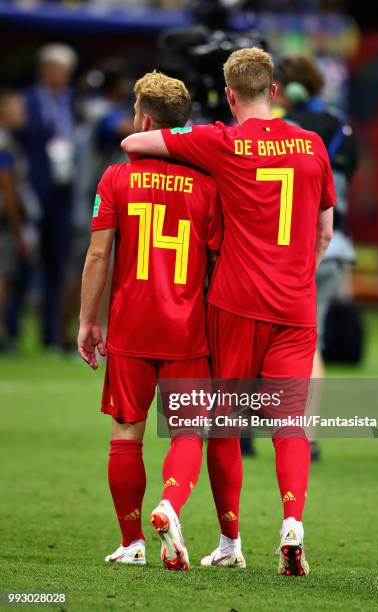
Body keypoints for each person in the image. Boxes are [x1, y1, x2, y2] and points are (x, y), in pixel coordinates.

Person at [121, 47, 335, 576]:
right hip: (294, 306)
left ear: (231, 96)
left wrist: (181, 148)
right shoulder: (312, 146)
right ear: (276, 92)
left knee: (221, 425)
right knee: (290, 426)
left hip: (235, 303)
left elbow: (135, 141)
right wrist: (295, 273)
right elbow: (325, 231)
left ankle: (225, 536)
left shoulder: (222, 141)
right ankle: (292, 523)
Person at [78, 71, 222, 570]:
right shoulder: (209, 185)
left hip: (131, 325)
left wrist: (87, 322)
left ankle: (131, 541)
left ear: (142, 119)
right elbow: (220, 261)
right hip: (188, 327)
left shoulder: (115, 178)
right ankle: (170, 505)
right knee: (187, 433)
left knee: (126, 433)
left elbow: (98, 256)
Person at [273, 54, 358, 460]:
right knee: (312, 342)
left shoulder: (290, 129)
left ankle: (250, 431)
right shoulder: (341, 124)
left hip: (295, 246)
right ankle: (307, 435)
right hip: (337, 244)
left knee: (270, 340)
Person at [13, 44, 77, 349]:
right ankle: (10, 332)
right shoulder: (25, 101)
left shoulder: (72, 101)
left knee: (58, 264)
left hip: (63, 191)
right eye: (56, 69)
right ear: (44, 70)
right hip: (31, 192)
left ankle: (51, 335)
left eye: (65, 70)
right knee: (22, 262)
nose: (60, 75)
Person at [0, 91, 39, 350]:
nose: (23, 112)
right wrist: (17, 230)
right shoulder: (4, 144)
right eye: (17, 108)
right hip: (3, 224)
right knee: (2, 279)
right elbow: (7, 188)